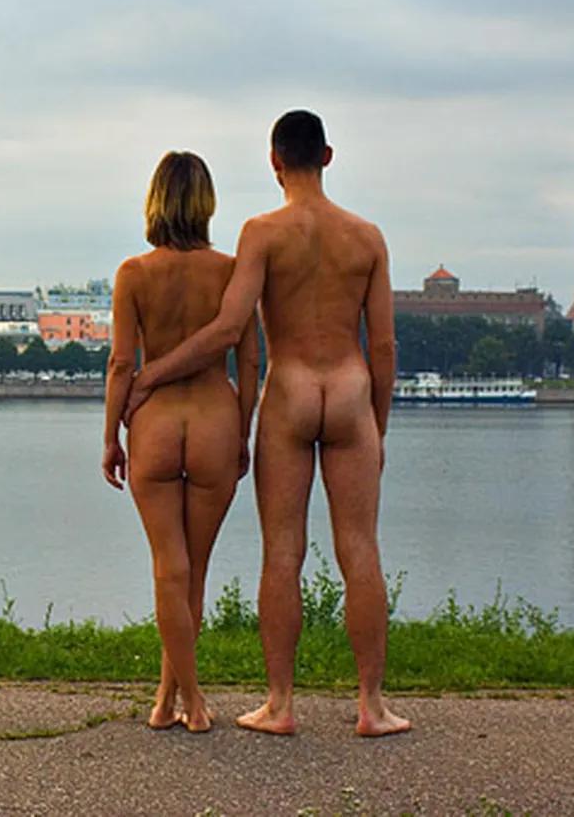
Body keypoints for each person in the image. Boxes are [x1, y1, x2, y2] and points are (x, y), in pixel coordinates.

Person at [125, 111, 410, 738]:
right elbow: (385, 346)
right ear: (327, 156)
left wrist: (150, 377)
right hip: (350, 393)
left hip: (290, 393)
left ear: (275, 162)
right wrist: (379, 425)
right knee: (360, 548)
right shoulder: (367, 238)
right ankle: (372, 706)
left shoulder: (261, 233)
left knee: (282, 550)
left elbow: (229, 331)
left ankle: (279, 705)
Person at [102, 150, 261, 733]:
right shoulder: (231, 271)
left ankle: (176, 699)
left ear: (155, 201)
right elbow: (249, 361)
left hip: (156, 427)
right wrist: (243, 430)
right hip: (215, 418)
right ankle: (180, 698)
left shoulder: (133, 274)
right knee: (195, 572)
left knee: (168, 570)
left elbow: (122, 364)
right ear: (206, 203)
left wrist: (110, 436)